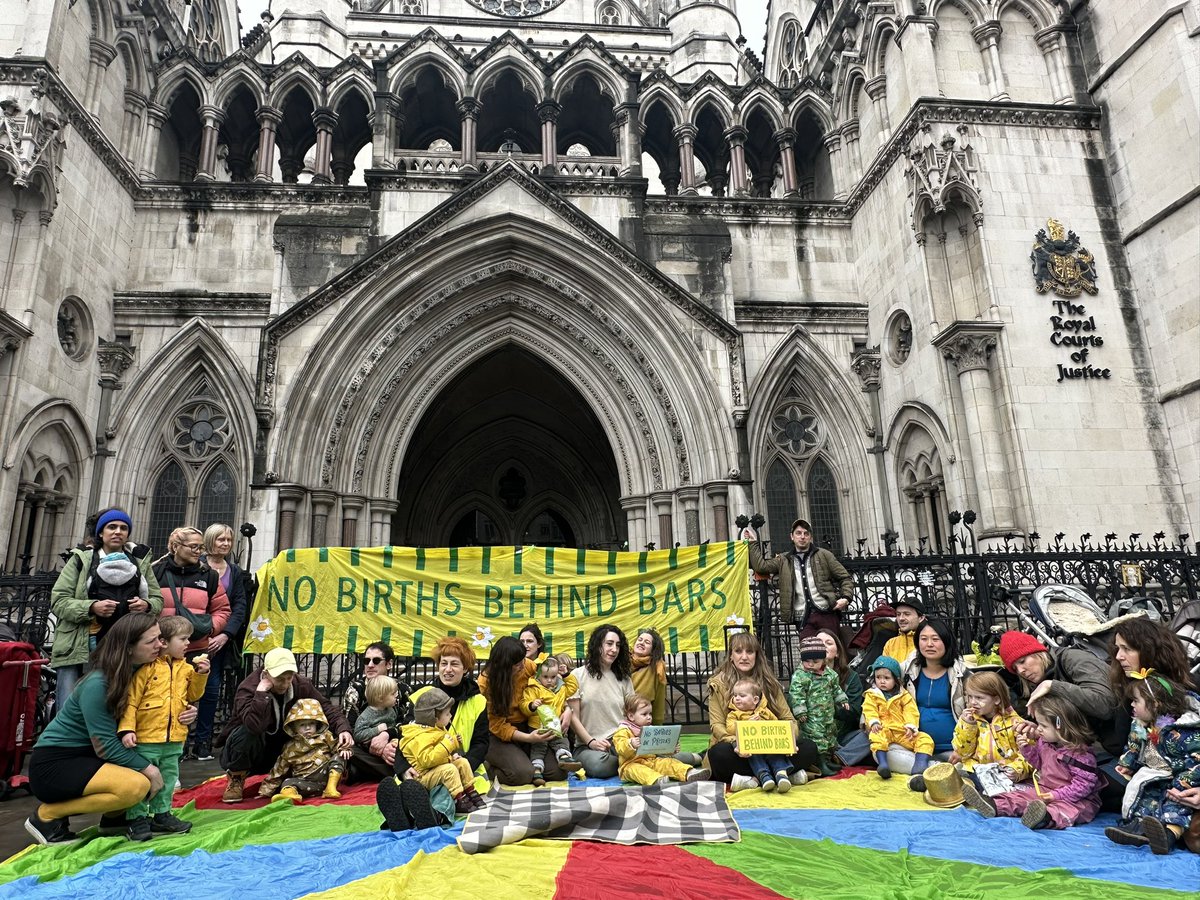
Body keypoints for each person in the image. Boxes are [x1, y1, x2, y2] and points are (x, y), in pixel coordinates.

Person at [25, 613, 172, 845]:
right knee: (138, 785)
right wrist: (150, 770)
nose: (160, 645)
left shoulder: (140, 672)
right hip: (56, 764)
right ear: (128, 648)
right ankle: (47, 816)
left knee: (149, 768)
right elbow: (106, 746)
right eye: (151, 641)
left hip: (87, 758)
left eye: (161, 638)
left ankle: (115, 819)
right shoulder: (99, 683)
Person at [50, 508, 162, 704]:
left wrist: (145, 604)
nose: (118, 531)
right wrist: (91, 607)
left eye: (123, 528)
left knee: (112, 707)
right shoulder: (81, 560)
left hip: (122, 649)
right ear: (101, 533)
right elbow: (58, 601)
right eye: (112, 527)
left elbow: (157, 600)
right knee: (70, 709)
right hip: (80, 648)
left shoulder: (139, 562)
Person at [215, 647, 353, 803]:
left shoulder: (300, 685)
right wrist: (261, 694)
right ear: (266, 674)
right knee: (247, 733)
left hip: (281, 751)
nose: (285, 683)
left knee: (323, 734)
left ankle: (292, 775)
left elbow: (325, 707)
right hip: (248, 751)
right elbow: (254, 726)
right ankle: (236, 777)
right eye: (280, 679)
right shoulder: (248, 689)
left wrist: (343, 729)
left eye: (289, 678)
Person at [117, 615, 210, 840]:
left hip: (174, 738)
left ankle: (161, 814)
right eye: (183, 638)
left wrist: (201, 674)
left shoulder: (187, 668)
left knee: (169, 778)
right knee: (143, 779)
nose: (188, 643)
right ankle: (137, 818)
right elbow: (132, 701)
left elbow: (194, 695)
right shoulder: (147, 669)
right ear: (165, 642)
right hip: (147, 738)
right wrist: (127, 728)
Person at [960, 695, 1102, 831]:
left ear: (1062, 727)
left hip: (1076, 800)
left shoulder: (1080, 754)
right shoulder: (1046, 742)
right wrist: (1027, 749)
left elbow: (1083, 786)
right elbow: (1039, 765)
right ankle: (994, 805)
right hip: (1045, 789)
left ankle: (1043, 818)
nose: (1038, 728)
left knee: (1065, 811)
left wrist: (1056, 796)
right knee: (1021, 796)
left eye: (1044, 726)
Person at [705, 631, 817, 789]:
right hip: (738, 749)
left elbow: (789, 720)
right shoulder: (717, 684)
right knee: (718, 754)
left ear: (756, 655)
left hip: (771, 746)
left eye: (749, 652)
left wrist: (788, 740)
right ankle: (782, 773)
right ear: (731, 656)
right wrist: (739, 744)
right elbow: (717, 725)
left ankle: (754, 779)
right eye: (738, 651)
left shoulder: (770, 683)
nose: (744, 657)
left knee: (810, 748)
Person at [1106, 670, 1200, 854]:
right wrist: (1127, 763)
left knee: (1174, 805)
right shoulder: (1141, 723)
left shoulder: (1179, 733)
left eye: (1136, 700)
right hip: (1153, 773)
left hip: (1178, 778)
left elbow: (1194, 760)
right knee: (1144, 799)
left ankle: (1169, 835)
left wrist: (1183, 784)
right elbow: (1133, 746)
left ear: (1155, 704)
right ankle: (1137, 828)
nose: (1131, 705)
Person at [998, 630, 1122, 757]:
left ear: (1038, 653)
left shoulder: (1074, 659)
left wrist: (1053, 686)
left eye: (1022, 661)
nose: (1021, 671)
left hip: (1117, 743)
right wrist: (1039, 727)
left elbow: (1106, 705)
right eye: (1015, 668)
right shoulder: (1036, 679)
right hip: (1086, 748)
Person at [190, 523, 249, 761]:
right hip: (190, 638)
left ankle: (202, 741)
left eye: (229, 540)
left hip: (216, 642)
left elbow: (239, 606)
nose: (225, 544)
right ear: (209, 540)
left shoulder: (233, 571)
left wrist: (225, 635)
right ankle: (182, 739)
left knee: (211, 690)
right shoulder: (196, 566)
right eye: (220, 539)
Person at [478, 636, 568, 786]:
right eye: (517, 664)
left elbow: (554, 684)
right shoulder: (486, 681)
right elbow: (497, 726)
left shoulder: (528, 665)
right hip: (497, 735)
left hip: (528, 726)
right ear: (504, 666)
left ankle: (521, 759)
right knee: (522, 775)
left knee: (557, 772)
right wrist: (528, 738)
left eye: (523, 660)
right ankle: (490, 768)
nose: (522, 665)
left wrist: (567, 710)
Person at [743, 520, 853, 639]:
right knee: (808, 654)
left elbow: (845, 577)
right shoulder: (784, 559)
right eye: (798, 533)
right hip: (802, 618)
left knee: (831, 651)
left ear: (810, 537)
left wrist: (846, 598)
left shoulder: (824, 555)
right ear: (792, 536)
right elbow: (761, 566)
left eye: (806, 534)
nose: (802, 537)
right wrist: (753, 543)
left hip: (826, 613)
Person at [902, 618, 969, 790]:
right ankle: (938, 773)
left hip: (951, 750)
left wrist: (963, 749)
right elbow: (878, 689)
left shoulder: (962, 674)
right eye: (924, 639)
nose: (929, 644)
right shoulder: (907, 670)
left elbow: (978, 712)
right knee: (883, 751)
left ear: (946, 641)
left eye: (935, 639)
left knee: (964, 763)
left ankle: (928, 773)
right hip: (914, 748)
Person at [397, 688, 487, 813]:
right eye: (447, 714)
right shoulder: (420, 736)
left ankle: (470, 791)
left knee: (462, 762)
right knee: (449, 770)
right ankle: (459, 799)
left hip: (435, 768)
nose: (450, 716)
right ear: (434, 718)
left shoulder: (436, 728)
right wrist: (447, 745)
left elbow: (441, 752)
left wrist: (453, 751)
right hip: (423, 775)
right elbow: (428, 760)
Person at [410, 637, 488, 780]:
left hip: (463, 767)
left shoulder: (478, 701)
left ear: (465, 668)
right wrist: (404, 768)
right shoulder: (421, 696)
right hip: (424, 767)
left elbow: (481, 743)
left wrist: (462, 768)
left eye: (454, 664)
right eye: (444, 663)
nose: (448, 669)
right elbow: (406, 737)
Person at [567, 625, 637, 778]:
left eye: (618, 645)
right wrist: (591, 742)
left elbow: (634, 715)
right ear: (598, 645)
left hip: (621, 743)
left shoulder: (624, 679)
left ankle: (697, 757)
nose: (614, 649)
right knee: (599, 766)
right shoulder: (576, 676)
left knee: (661, 752)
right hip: (587, 747)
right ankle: (634, 764)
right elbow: (573, 718)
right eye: (609, 643)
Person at [154, 526, 231, 657]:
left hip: (195, 650)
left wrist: (210, 628)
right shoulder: (156, 573)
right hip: (160, 648)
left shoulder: (209, 576)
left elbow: (222, 610)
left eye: (201, 548)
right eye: (193, 546)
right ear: (175, 547)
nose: (198, 552)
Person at [257, 699, 352, 802]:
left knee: (340, 756)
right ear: (294, 727)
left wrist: (344, 749)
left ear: (317, 723)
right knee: (287, 782)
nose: (308, 727)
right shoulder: (290, 747)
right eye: (302, 725)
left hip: (325, 775)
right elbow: (279, 769)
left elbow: (336, 746)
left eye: (311, 723)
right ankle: (290, 795)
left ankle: (331, 788)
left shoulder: (325, 736)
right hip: (305, 782)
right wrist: (266, 790)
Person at [951, 672, 1031, 785]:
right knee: (962, 775)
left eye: (979, 697)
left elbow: (1030, 755)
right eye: (969, 696)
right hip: (977, 769)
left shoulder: (1015, 723)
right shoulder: (968, 720)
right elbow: (963, 753)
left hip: (1004, 773)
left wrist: (1016, 770)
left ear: (997, 700)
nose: (972, 702)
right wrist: (968, 725)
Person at [343, 642, 408, 781]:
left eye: (376, 660)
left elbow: (408, 723)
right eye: (366, 661)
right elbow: (351, 729)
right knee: (347, 748)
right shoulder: (355, 690)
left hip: (395, 745)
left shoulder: (402, 690)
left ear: (389, 664)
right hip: (366, 748)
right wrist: (377, 747)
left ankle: (365, 772)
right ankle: (399, 772)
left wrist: (387, 736)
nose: (370, 665)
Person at [612, 694, 706, 787]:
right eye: (644, 714)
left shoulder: (650, 729)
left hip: (651, 761)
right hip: (630, 764)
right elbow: (620, 748)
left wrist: (670, 748)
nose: (649, 717)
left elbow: (659, 747)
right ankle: (657, 780)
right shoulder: (623, 730)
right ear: (631, 716)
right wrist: (630, 744)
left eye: (650, 714)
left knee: (668, 762)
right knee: (639, 771)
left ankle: (688, 772)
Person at [863, 656, 932, 780]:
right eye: (878, 677)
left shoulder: (903, 695)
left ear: (896, 679)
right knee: (876, 737)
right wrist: (873, 722)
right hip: (883, 728)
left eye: (886, 678)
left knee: (924, 738)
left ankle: (920, 764)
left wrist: (910, 726)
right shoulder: (872, 694)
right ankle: (884, 764)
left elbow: (910, 711)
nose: (882, 681)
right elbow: (869, 709)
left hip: (901, 730)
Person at [789, 636, 849, 776]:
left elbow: (836, 688)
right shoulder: (801, 676)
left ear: (823, 660)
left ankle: (827, 760)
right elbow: (796, 694)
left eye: (815, 661)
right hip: (812, 716)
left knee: (829, 735)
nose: (810, 664)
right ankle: (820, 763)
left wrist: (842, 699)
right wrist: (800, 711)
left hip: (827, 714)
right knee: (816, 737)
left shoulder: (830, 674)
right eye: (806, 661)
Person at [521, 657, 583, 786]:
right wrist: (532, 705)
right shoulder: (533, 688)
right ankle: (537, 771)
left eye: (553, 677)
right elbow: (523, 705)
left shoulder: (561, 688)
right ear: (539, 675)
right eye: (545, 677)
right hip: (538, 725)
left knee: (561, 741)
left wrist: (566, 674)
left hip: (556, 725)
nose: (549, 680)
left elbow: (573, 687)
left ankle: (565, 758)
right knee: (539, 748)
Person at [725, 678, 795, 792]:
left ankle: (781, 774)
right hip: (751, 748)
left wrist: (788, 741)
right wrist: (746, 724)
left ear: (755, 699)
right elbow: (730, 729)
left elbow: (777, 725)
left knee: (776, 753)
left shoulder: (765, 712)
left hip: (768, 744)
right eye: (735, 695)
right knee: (753, 755)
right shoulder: (734, 714)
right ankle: (764, 776)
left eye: (742, 696)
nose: (737, 698)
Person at [816, 628, 867, 766]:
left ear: (837, 652)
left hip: (842, 737)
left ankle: (839, 757)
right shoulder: (801, 676)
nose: (823, 645)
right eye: (819, 642)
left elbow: (854, 712)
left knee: (872, 735)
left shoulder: (851, 677)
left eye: (828, 643)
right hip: (814, 735)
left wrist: (830, 706)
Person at [352, 675, 402, 748]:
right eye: (392, 694)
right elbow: (358, 735)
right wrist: (377, 730)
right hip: (373, 748)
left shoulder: (391, 710)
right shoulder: (365, 717)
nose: (396, 696)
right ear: (380, 698)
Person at [631, 628, 667, 725]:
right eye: (640, 640)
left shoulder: (657, 668)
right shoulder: (620, 662)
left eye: (647, 642)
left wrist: (657, 727)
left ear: (653, 649)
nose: (641, 643)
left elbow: (659, 703)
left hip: (640, 726)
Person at [883, 598, 923, 664]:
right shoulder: (890, 644)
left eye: (907, 614)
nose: (901, 618)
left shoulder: (927, 641)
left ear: (920, 618)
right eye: (898, 614)